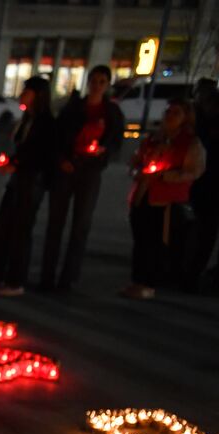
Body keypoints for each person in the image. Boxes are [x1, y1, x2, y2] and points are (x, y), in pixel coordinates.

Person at [40, 65, 125, 292]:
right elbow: (57, 137)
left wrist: (102, 151)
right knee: (55, 223)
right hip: (67, 168)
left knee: (81, 224)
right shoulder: (74, 107)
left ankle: (68, 278)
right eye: (94, 80)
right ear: (88, 82)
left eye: (102, 82)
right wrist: (62, 159)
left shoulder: (111, 112)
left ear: (107, 85)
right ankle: (47, 275)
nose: (97, 85)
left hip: (90, 171)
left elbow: (116, 141)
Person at [123, 100, 207, 300]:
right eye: (168, 112)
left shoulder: (191, 143)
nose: (170, 116)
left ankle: (149, 283)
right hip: (143, 195)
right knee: (140, 240)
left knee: (154, 243)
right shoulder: (154, 138)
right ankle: (137, 280)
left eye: (176, 113)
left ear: (185, 118)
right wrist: (137, 172)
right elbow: (135, 160)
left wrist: (165, 176)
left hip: (166, 201)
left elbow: (194, 171)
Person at [0, 75, 56, 297]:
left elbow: (42, 155)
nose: (22, 96)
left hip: (31, 182)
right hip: (17, 181)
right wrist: (10, 161)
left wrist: (17, 164)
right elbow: (22, 148)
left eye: (27, 92)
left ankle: (15, 281)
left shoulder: (46, 123)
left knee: (20, 232)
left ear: (39, 95)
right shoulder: (26, 119)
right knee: (3, 229)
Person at [185, 79, 219, 290]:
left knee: (205, 230)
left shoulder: (206, 122)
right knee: (203, 230)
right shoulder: (199, 119)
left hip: (210, 182)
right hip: (203, 182)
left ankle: (193, 273)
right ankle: (192, 272)